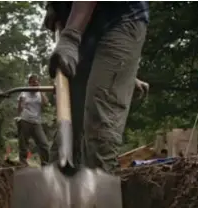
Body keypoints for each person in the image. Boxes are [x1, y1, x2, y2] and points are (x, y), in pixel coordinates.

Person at [44, 2, 149, 173]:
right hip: (86, 34)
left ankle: (99, 196)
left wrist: (70, 36)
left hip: (121, 18)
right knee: (68, 130)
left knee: (99, 126)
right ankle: (60, 193)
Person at [17, 74, 50, 166]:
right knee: (23, 144)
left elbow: (46, 103)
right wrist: (19, 116)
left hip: (36, 122)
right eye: (32, 83)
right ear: (29, 83)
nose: (34, 84)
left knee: (44, 144)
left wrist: (42, 92)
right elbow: (20, 106)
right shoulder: (24, 92)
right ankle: (22, 163)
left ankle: (45, 164)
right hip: (25, 120)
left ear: (38, 83)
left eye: (36, 82)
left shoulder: (40, 93)